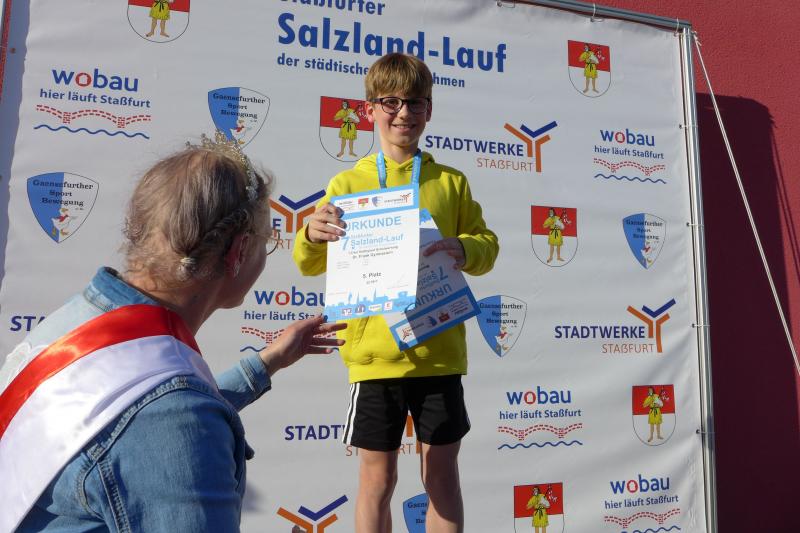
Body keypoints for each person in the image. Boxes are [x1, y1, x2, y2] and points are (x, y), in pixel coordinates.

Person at [0, 132, 345, 532]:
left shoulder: (81, 323)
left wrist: (268, 362)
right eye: (265, 244)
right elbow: (164, 422)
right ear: (238, 252)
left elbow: (136, 412)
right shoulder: (176, 419)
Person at [293, 53, 499, 533]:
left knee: (441, 479)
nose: (404, 113)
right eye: (391, 102)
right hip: (374, 358)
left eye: (415, 102)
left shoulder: (451, 182)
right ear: (369, 109)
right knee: (377, 481)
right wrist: (311, 234)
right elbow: (308, 262)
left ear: (429, 110)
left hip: (438, 354)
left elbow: (488, 246)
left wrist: (465, 248)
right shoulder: (347, 184)